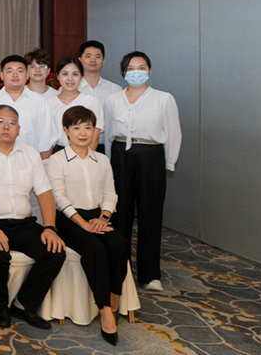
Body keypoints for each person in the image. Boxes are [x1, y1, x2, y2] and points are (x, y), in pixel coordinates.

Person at [0, 105, 66, 330]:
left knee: (55, 252)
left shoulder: (30, 154)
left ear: (19, 129)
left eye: (12, 123)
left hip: (23, 223)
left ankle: (24, 306)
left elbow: (44, 193)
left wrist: (50, 227)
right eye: (0, 121)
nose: (6, 127)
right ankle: (0, 309)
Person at [47, 106, 128, 346]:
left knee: (119, 244)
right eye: (76, 127)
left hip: (97, 216)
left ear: (94, 130)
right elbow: (59, 198)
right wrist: (83, 223)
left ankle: (114, 295)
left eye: (88, 127)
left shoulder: (101, 159)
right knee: (94, 248)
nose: (83, 133)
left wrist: (103, 218)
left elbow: (110, 194)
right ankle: (105, 309)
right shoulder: (57, 160)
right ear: (66, 130)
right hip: (69, 218)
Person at [105, 51, 181, 292]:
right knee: (121, 213)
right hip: (120, 154)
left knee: (150, 214)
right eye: (131, 68)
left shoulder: (163, 98)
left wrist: (169, 162)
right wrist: (108, 164)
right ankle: (122, 270)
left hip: (151, 155)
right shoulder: (112, 99)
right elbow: (107, 134)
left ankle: (150, 274)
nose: (136, 72)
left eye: (141, 67)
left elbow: (174, 131)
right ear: (122, 72)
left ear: (149, 71)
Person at [0, 55, 56, 158]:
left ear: (27, 75)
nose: (15, 75)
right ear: (2, 75)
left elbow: (46, 139)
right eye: (10, 71)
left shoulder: (39, 102)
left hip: (29, 161)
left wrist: (42, 164)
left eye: (20, 71)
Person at [48, 57, 104, 153]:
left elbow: (94, 137)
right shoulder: (48, 103)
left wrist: (85, 158)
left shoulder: (91, 102)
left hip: (84, 151)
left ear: (81, 77)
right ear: (58, 76)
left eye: (75, 74)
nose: (70, 78)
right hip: (57, 151)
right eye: (65, 74)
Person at [79, 41, 124, 153]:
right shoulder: (71, 89)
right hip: (77, 145)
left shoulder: (115, 90)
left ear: (103, 61)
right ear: (80, 60)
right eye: (88, 56)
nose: (93, 60)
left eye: (97, 56)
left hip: (107, 146)